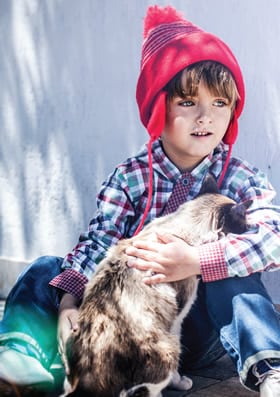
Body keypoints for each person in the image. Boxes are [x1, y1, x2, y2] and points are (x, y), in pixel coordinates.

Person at [1, 4, 280, 396]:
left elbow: (273, 237)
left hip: (190, 327)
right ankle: (23, 357)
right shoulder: (131, 177)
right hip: (126, 330)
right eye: (187, 102)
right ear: (157, 109)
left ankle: (270, 368)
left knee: (232, 274)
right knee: (47, 268)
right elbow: (99, 242)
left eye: (220, 104)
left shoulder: (240, 179)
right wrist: (68, 301)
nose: (206, 117)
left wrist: (196, 261)